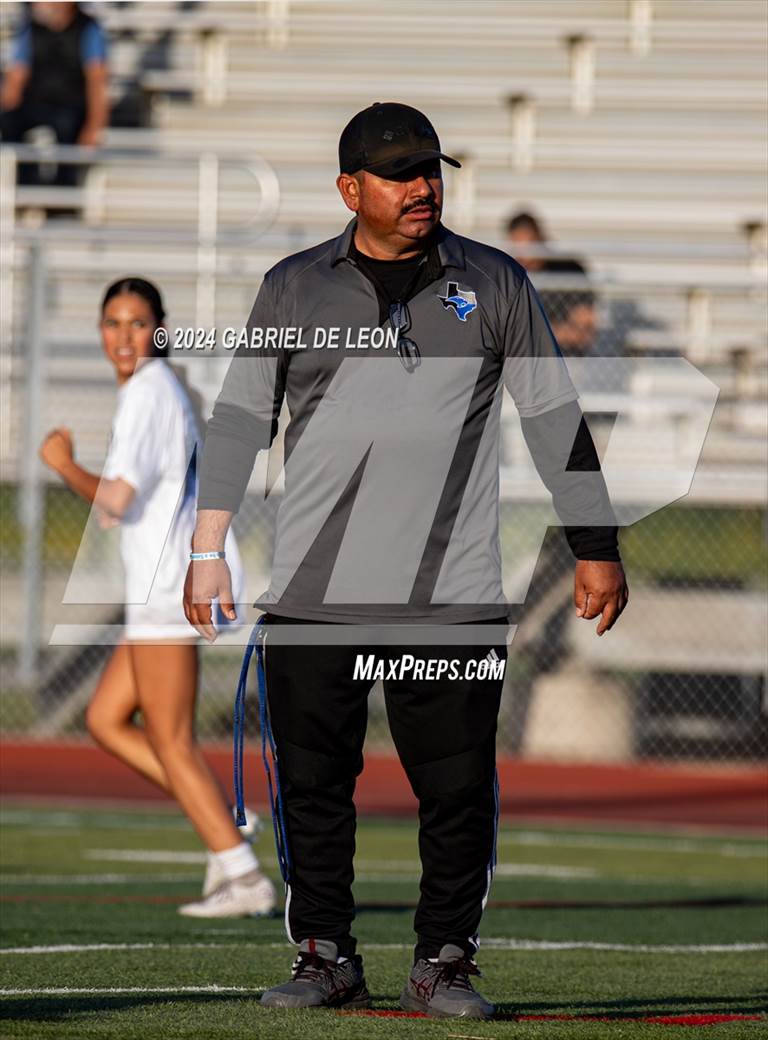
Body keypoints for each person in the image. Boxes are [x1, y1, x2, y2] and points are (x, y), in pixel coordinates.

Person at [185, 103, 628, 1018]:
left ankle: (445, 960)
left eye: (431, 168)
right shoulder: (293, 287)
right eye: (400, 172)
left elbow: (554, 419)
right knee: (312, 787)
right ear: (351, 189)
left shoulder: (494, 281)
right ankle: (325, 954)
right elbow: (239, 420)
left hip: (450, 598)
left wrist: (595, 545)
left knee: (457, 790)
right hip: (315, 596)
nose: (423, 186)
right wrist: (206, 546)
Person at [39, 276, 276, 919]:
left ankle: (242, 874)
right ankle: (224, 816)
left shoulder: (148, 389)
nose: (123, 336)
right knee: (105, 720)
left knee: (170, 741)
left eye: (137, 323)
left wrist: (62, 464)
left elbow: (116, 499)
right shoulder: (153, 389)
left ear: (159, 329)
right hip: (159, 587)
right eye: (112, 323)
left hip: (169, 589)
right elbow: (134, 501)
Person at [0, 2, 109, 187]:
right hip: (36, 102)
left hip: (70, 106)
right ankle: (23, 184)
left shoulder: (88, 28)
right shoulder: (31, 28)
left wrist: (94, 126)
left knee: (67, 126)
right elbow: (17, 76)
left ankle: (64, 193)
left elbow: (97, 80)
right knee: (10, 121)